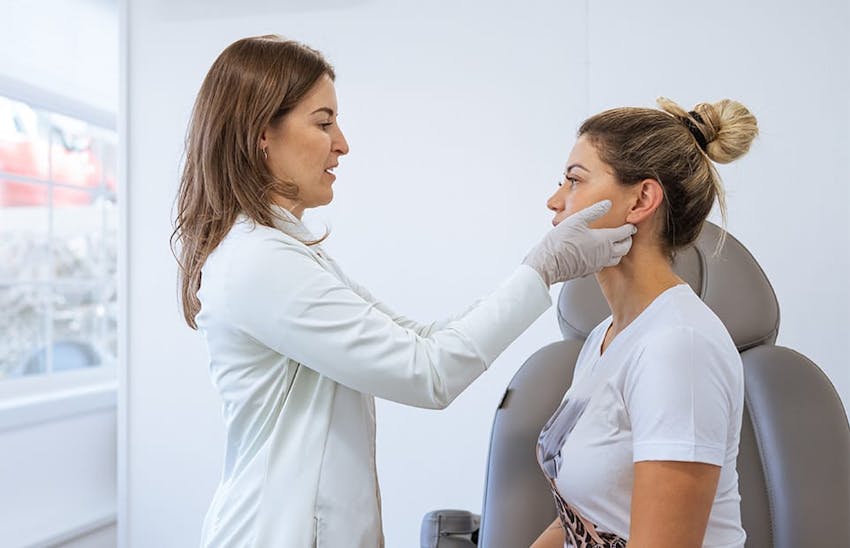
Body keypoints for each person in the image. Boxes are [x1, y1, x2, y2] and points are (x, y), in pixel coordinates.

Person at [171, 35, 635, 548]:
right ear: (262, 133)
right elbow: (428, 372)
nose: (342, 143)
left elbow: (420, 340)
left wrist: (535, 271)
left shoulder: (285, 253)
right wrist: (540, 270)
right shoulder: (261, 263)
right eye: (323, 123)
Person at [531, 98, 758, 548]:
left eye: (574, 180)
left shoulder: (680, 346)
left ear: (641, 200)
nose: (554, 202)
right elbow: (584, 517)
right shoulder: (605, 338)